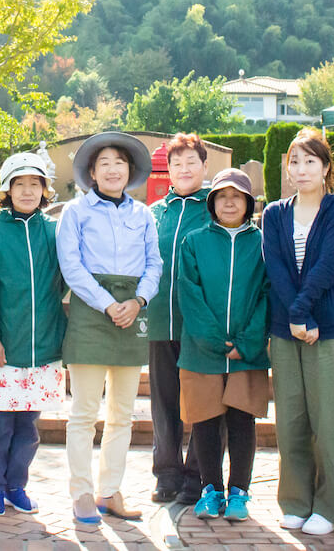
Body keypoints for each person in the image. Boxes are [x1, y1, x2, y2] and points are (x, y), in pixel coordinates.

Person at [56, 131, 162, 525]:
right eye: (105, 163)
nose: (113, 169)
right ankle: (81, 492)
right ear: (92, 173)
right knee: (83, 411)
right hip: (90, 312)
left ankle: (110, 491)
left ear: (130, 171)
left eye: (120, 162)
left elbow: (155, 264)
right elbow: (72, 266)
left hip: (133, 313)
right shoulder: (76, 213)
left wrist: (138, 302)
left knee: (122, 412)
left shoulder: (143, 215)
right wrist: (107, 303)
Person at [261, 127, 334, 537]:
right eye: (294, 162)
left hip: (330, 331)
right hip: (286, 332)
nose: (300, 170)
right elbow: (276, 268)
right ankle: (295, 501)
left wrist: (304, 312)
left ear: (326, 167)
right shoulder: (274, 213)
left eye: (309, 162)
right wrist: (296, 318)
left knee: (330, 423)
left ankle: (333, 507)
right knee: (292, 421)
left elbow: (329, 266)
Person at [0, 152, 67, 517]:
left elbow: (65, 280)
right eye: (20, 184)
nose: (27, 191)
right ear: (7, 191)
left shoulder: (54, 232)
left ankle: (16, 486)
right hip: (3, 348)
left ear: (45, 190)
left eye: (35, 184)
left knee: (28, 428)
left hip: (43, 347)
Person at [176, 168, 270, 523]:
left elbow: (266, 294)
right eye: (221, 196)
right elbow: (190, 294)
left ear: (248, 203)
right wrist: (216, 341)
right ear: (212, 202)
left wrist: (246, 342)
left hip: (247, 353)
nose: (229, 202)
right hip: (202, 351)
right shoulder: (195, 241)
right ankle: (211, 489)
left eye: (237, 196)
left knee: (242, 422)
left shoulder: (261, 243)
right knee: (205, 422)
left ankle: (239, 493)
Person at [147, 133, 211, 505]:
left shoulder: (215, 208)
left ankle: (197, 474)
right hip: (160, 321)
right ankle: (167, 473)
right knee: (164, 402)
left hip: (201, 326)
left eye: (191, 162)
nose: (184, 169)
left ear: (205, 166)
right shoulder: (157, 212)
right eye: (176, 163)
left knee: (202, 401)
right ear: (167, 170)